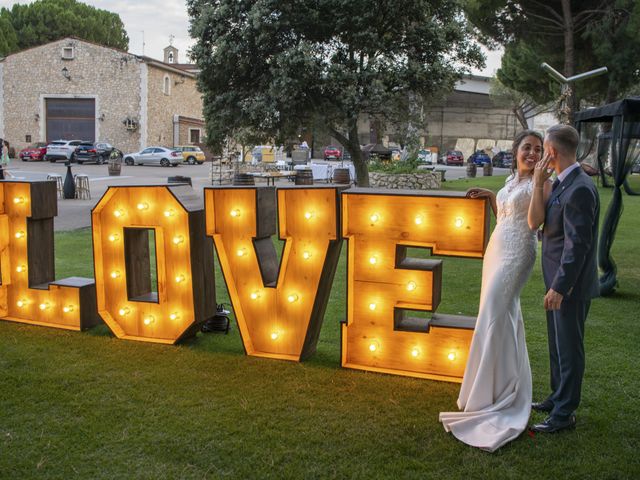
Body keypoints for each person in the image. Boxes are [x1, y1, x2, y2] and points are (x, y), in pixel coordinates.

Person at [439, 130, 550, 452]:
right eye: (527, 148)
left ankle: (496, 393)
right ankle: (497, 384)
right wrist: (491, 197)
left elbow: (533, 223)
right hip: (497, 248)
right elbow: (506, 216)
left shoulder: (541, 181)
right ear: (516, 150)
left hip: (519, 253)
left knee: (494, 312)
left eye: (538, 149)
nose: (532, 153)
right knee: (500, 316)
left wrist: (541, 181)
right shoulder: (512, 180)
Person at [529, 124, 600, 433]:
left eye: (544, 149)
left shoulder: (580, 188)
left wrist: (560, 286)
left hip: (567, 285)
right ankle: (557, 398)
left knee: (569, 349)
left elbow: (578, 245)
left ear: (551, 152)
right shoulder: (563, 181)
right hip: (556, 281)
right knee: (558, 346)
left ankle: (563, 415)